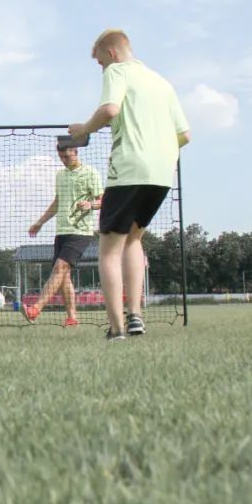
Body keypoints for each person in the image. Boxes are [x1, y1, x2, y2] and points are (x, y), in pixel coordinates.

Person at [68, 30, 190, 341]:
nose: (101, 68)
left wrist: (83, 129)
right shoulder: (162, 82)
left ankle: (117, 329)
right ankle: (136, 316)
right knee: (134, 239)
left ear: (111, 52)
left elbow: (110, 109)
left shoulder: (117, 70)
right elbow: (185, 135)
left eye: (99, 62)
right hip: (162, 174)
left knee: (109, 249)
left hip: (130, 168)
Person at [23, 140, 104, 327]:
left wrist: (90, 205)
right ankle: (72, 318)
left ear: (76, 152)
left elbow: (102, 200)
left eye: (67, 157)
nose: (64, 161)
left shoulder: (91, 173)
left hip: (81, 232)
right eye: (61, 157)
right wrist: (40, 222)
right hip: (61, 231)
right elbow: (57, 202)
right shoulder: (60, 175)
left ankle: (35, 309)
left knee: (59, 268)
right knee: (64, 276)